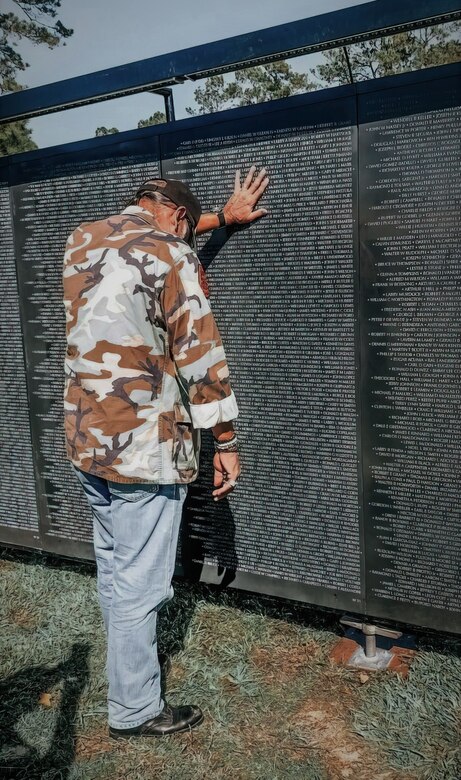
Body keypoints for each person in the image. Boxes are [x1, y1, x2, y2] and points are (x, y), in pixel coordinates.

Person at [62, 167, 269, 738]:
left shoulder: (82, 239)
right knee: (143, 582)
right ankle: (133, 709)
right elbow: (202, 359)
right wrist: (226, 441)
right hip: (143, 449)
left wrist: (221, 219)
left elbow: (153, 232)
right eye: (189, 226)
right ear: (178, 219)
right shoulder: (173, 256)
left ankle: (123, 678)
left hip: (89, 440)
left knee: (114, 567)